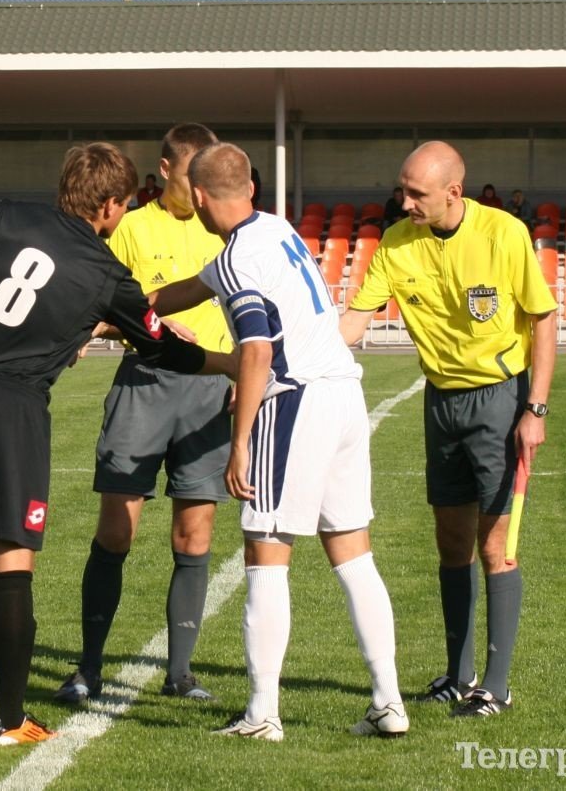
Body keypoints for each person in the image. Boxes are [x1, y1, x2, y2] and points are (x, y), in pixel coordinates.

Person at [0, 142, 236, 745]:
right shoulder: (109, 274)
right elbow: (167, 348)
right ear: (110, 204)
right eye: (122, 204)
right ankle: (9, 720)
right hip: (15, 413)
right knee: (11, 566)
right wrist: (233, 364)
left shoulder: (5, 213)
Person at [151, 142, 408, 741]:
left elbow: (259, 349)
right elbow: (195, 286)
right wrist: (132, 307)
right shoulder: (273, 227)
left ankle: (263, 713)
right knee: (354, 554)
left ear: (199, 195)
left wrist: (240, 443)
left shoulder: (240, 256)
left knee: (265, 550)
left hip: (295, 399)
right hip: (343, 392)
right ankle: (388, 701)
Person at [340, 141, 557, 719]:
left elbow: (543, 317)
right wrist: (291, 356)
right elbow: (358, 319)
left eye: (416, 193)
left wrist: (534, 410)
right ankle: (459, 677)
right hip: (442, 404)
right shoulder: (395, 242)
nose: (403, 201)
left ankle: (499, 685)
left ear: (453, 193)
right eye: (402, 189)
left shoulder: (504, 234)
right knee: (452, 543)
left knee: (496, 548)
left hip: (499, 401)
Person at [54, 123, 233, 705]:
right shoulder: (130, 228)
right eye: (192, 178)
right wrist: (143, 326)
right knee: (116, 531)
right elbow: (95, 309)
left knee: (194, 534)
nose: (203, 189)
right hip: (144, 387)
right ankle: (88, 669)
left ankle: (180, 674)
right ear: (165, 173)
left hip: (210, 390)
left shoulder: (228, 232)